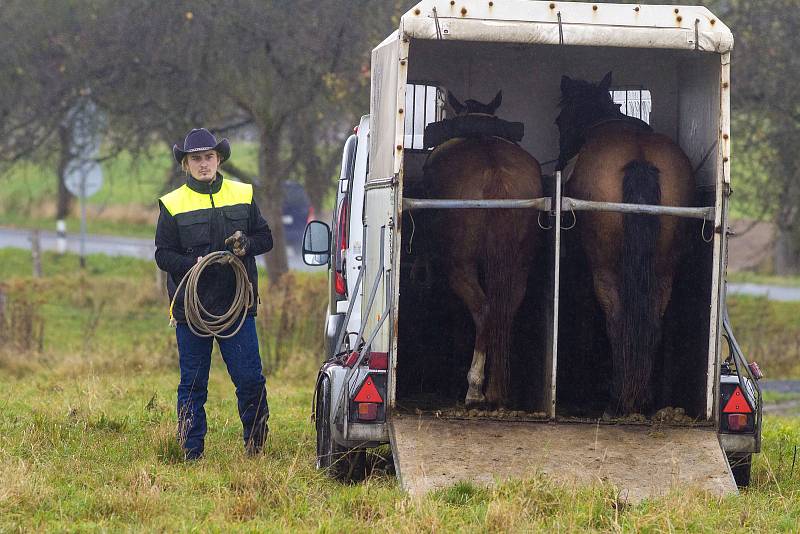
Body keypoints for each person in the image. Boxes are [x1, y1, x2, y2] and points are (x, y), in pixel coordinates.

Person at [155, 128, 273, 460]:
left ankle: (256, 446)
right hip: (191, 310)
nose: (204, 164)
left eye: (209, 157)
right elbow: (162, 255)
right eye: (196, 159)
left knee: (250, 380)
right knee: (193, 385)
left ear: (218, 159)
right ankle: (191, 452)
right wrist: (191, 264)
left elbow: (266, 239)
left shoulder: (243, 193)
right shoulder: (172, 203)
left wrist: (246, 245)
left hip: (237, 308)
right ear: (186, 164)